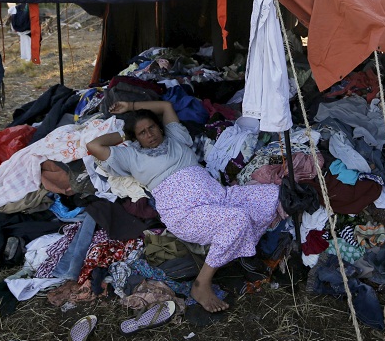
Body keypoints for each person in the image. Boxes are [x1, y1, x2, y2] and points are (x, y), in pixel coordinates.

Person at [87, 100, 282, 313]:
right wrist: (127, 132)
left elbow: (165, 106)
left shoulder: (176, 138)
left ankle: (244, 252)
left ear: (159, 126)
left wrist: (132, 106)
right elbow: (93, 146)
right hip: (184, 212)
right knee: (238, 219)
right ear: (135, 138)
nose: (149, 134)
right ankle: (201, 284)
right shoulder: (131, 155)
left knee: (271, 194)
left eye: (151, 127)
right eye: (142, 133)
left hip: (219, 197)